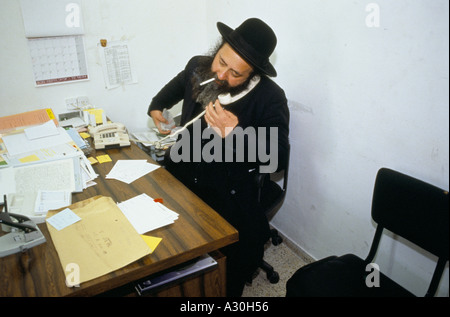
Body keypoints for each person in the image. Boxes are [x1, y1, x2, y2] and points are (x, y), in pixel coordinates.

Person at [147, 18, 290, 296]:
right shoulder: (197, 66)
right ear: (218, 49)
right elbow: (169, 92)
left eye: (236, 73)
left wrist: (234, 133)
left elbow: (279, 157)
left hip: (226, 187)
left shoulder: (270, 98)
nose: (223, 75)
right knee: (161, 241)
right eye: (221, 61)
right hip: (182, 169)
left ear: (252, 74)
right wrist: (157, 109)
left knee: (228, 265)